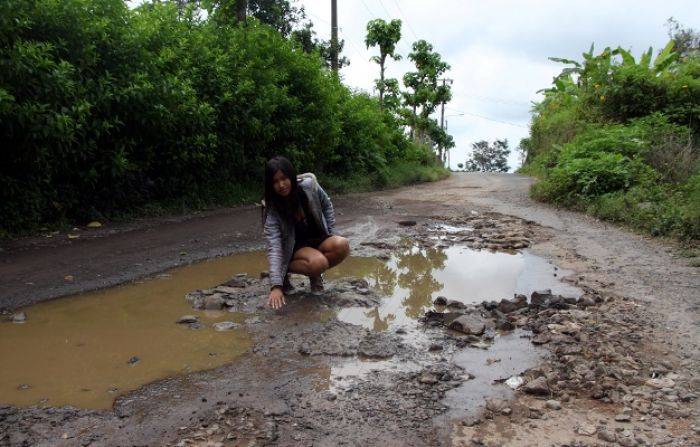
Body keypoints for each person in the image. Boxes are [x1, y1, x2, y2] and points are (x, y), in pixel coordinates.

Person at [263, 156, 350, 309]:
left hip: (317, 238)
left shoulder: (309, 186)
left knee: (342, 244)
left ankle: (315, 274)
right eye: (275, 182)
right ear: (270, 185)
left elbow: (327, 205)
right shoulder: (272, 209)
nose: (281, 185)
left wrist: (332, 232)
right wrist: (276, 285)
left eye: (284, 178)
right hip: (294, 249)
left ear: (291, 175)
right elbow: (274, 246)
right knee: (319, 263)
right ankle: (289, 274)